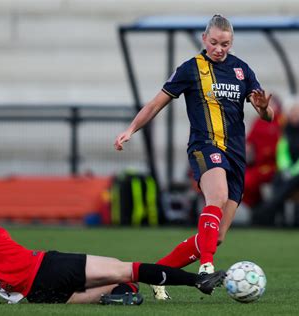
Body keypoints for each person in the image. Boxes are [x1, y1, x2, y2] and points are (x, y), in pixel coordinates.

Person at [114, 15, 273, 299]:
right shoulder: (191, 69)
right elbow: (155, 104)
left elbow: (267, 114)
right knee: (217, 197)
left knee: (217, 236)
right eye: (214, 42)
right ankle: (206, 267)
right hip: (205, 147)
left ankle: (157, 272)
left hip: (236, 155)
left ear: (231, 42)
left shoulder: (241, 70)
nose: (219, 48)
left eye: (225, 43)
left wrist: (263, 110)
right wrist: (131, 129)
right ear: (204, 39)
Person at [0, 173, 226, 306]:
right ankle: (196, 281)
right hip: (45, 268)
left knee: (119, 284)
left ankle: (117, 297)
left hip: (33, 296)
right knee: (124, 268)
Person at [252, 103, 299, 226]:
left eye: (298, 114)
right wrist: (285, 167)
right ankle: (279, 216)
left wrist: (296, 169)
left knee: (290, 182)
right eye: (293, 114)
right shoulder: (286, 129)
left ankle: (269, 208)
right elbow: (283, 150)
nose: (295, 116)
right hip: (289, 168)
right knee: (278, 179)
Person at [242, 94, 284, 209]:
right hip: (256, 163)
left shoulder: (282, 121)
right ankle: (255, 207)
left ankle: (259, 207)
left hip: (273, 165)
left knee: (248, 181)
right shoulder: (258, 121)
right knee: (238, 179)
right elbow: (249, 141)